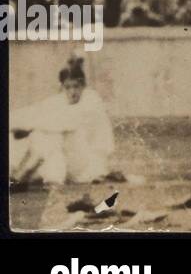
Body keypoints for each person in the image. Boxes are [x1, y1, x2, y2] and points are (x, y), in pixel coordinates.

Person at [10, 56, 114, 188]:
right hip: (70, 160)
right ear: (63, 87)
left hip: (89, 164)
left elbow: (66, 122)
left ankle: (21, 178)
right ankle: (18, 176)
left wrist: (28, 127)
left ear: (83, 86)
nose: (72, 91)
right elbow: (35, 110)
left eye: (76, 86)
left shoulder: (92, 100)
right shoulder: (60, 99)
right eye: (68, 87)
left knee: (47, 134)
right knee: (37, 135)